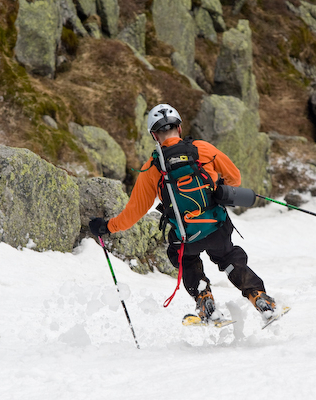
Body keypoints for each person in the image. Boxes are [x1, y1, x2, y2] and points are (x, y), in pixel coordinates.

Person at [88, 103, 276, 324]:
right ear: (179, 127)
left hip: (187, 237)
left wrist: (106, 227)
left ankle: (205, 300)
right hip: (217, 227)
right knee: (228, 257)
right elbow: (235, 178)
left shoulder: (152, 168)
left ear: (153, 135)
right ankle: (259, 297)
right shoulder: (203, 149)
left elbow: (133, 213)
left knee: (185, 259)